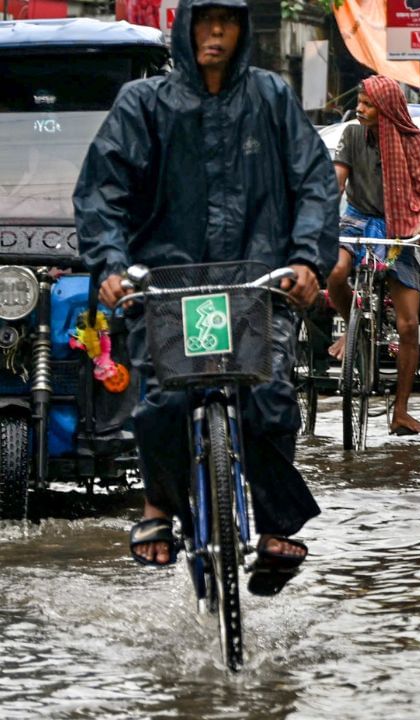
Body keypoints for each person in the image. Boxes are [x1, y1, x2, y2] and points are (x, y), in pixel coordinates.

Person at [74, 0, 338, 593]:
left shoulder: (271, 98)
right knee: (163, 404)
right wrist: (113, 267)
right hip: (166, 287)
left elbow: (314, 182)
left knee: (270, 397)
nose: (215, 32)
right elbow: (102, 193)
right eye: (204, 20)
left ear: (243, 30)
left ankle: (274, 526)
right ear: (185, 25)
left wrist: (305, 259)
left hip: (256, 282)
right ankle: (158, 507)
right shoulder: (143, 104)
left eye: (229, 21)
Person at [326, 75, 420, 436]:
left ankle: (402, 411)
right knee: (335, 272)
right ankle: (352, 327)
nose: (359, 109)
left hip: (399, 225)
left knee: (408, 325)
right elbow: (338, 181)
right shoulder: (352, 134)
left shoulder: (413, 141)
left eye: (367, 104)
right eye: (359, 103)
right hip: (358, 219)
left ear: (387, 109)